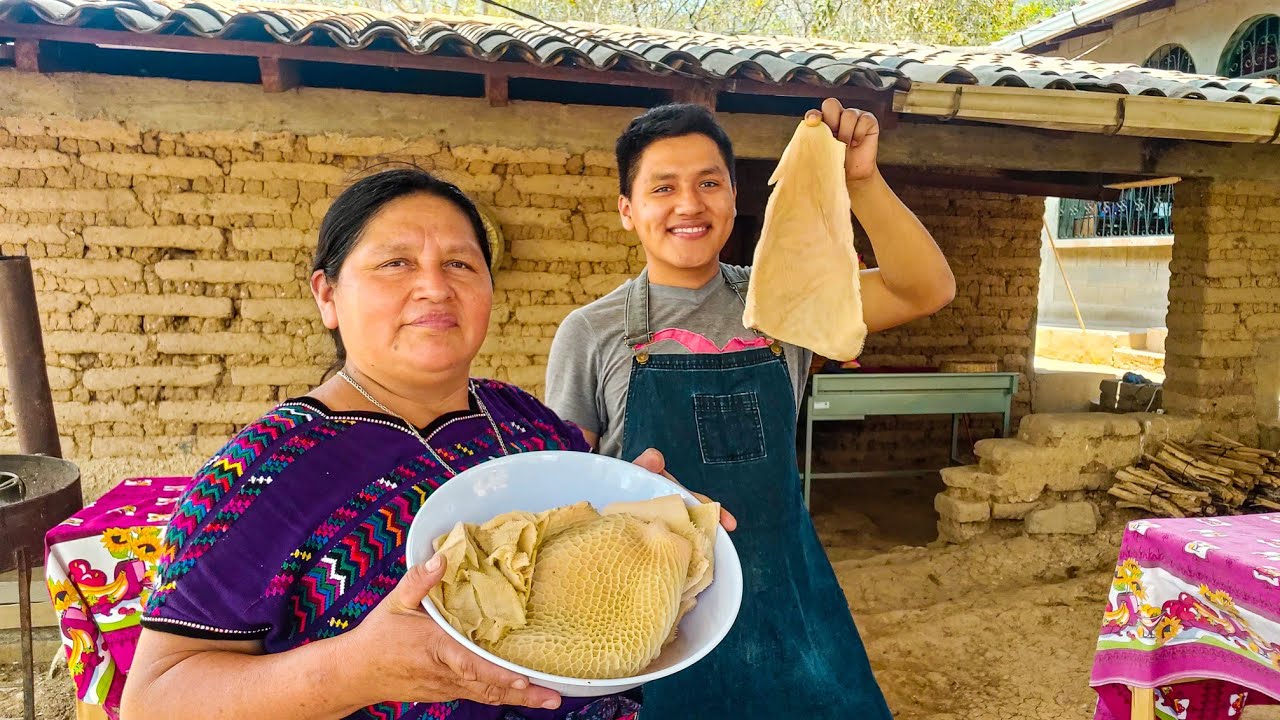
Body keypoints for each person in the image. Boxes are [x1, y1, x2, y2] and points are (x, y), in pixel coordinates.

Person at [121, 168, 721, 720]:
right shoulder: (263, 472)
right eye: (395, 264)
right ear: (327, 295)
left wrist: (647, 525)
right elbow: (155, 698)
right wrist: (353, 670)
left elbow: (591, 570)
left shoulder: (525, 422)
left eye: (460, 264)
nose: (434, 288)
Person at [545, 99, 956, 718]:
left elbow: (925, 289)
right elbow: (565, 487)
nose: (689, 204)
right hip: (654, 604)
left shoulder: (785, 302)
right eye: (664, 188)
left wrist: (863, 181)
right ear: (629, 211)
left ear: (734, 198)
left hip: (785, 588)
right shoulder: (592, 331)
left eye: (709, 183)